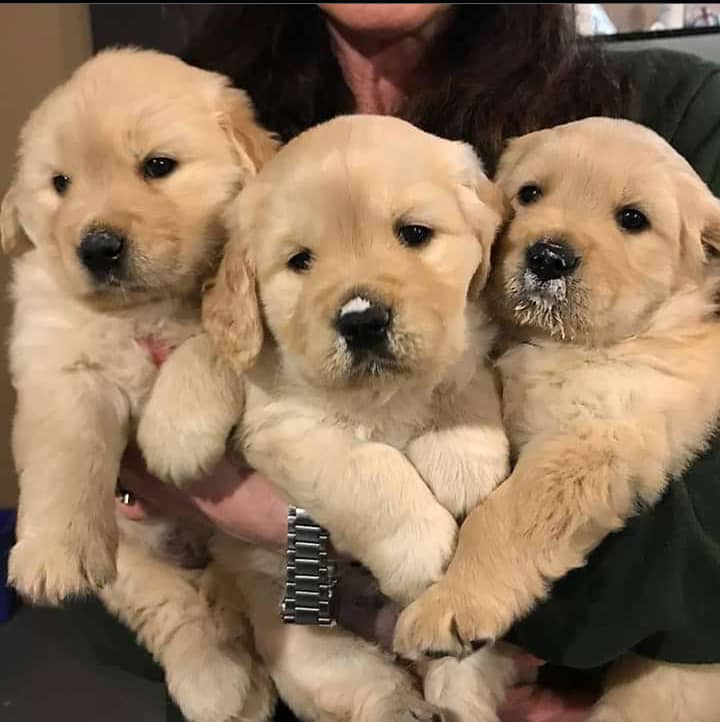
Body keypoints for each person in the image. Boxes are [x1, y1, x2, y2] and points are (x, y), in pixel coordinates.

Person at [101, 5, 720, 722]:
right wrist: (298, 544)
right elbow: (133, 422)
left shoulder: (674, 114)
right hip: (283, 652)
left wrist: (293, 521)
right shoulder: (203, 117)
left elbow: (698, 562)